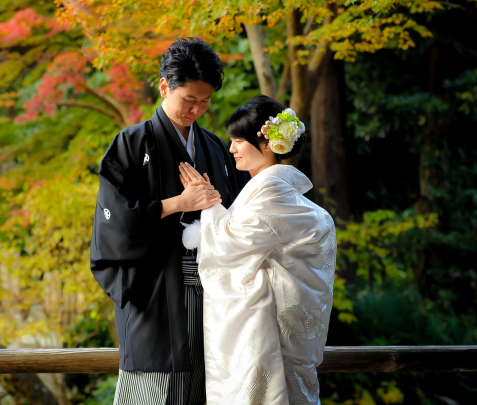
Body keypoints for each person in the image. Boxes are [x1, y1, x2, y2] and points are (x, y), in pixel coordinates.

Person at [90, 37, 250, 405]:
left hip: (216, 300)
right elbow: (113, 227)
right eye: (188, 100)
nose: (196, 110)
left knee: (213, 387)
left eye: (205, 101)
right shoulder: (130, 145)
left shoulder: (215, 149)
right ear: (164, 87)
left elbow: (242, 218)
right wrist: (179, 202)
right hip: (157, 297)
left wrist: (216, 210)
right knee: (156, 387)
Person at [179, 95, 336, 404]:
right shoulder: (277, 193)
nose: (232, 149)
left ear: (267, 145)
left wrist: (208, 205)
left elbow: (228, 246)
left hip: (271, 340)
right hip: (285, 338)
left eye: (239, 141)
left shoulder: (272, 193)